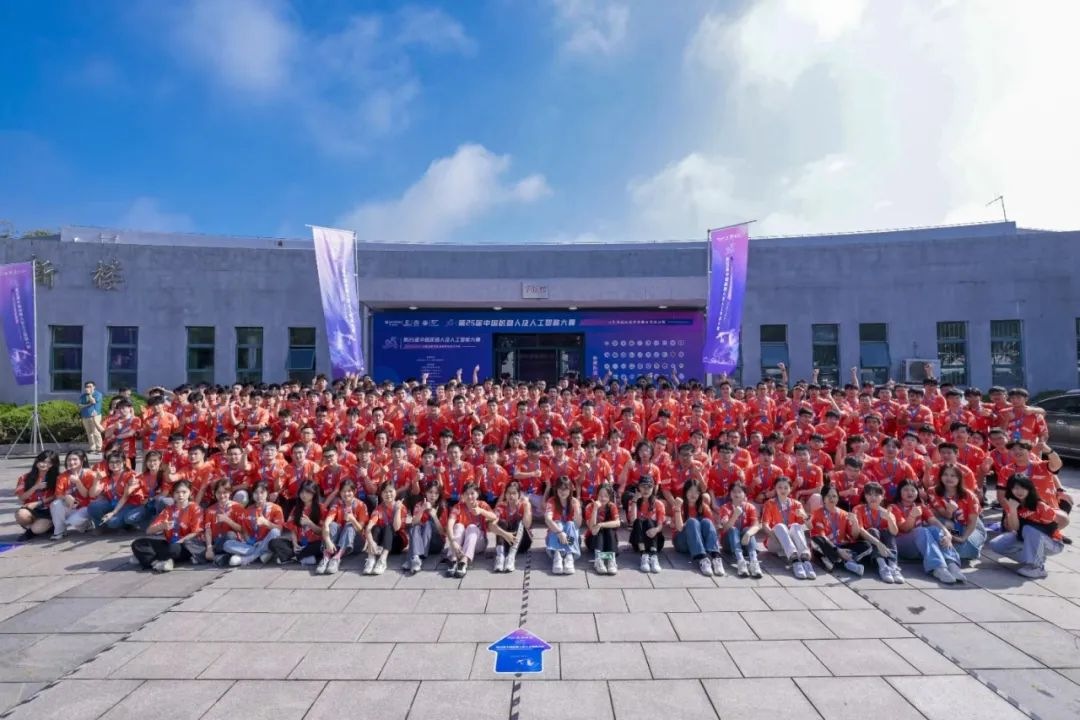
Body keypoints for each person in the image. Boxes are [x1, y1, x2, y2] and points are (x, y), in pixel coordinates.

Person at [988, 473, 1068, 579]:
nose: (1019, 491)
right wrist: (1013, 509)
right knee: (996, 544)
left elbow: (1051, 529)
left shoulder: (1040, 506)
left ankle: (1037, 568)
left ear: (1029, 488)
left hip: (1053, 543)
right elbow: (1014, 528)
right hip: (1025, 537)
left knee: (1029, 529)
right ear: (1010, 490)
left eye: (1023, 488)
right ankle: (1034, 559)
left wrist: (1031, 529)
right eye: (1015, 488)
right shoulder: (1012, 504)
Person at [891, 478, 964, 584]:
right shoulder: (893, 507)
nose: (910, 492)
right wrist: (912, 516)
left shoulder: (920, 506)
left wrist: (947, 534)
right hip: (902, 545)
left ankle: (952, 564)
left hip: (920, 546)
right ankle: (938, 568)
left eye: (913, 490)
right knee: (922, 530)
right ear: (899, 492)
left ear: (917, 492)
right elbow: (905, 528)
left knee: (935, 529)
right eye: (906, 490)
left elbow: (934, 521)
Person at [130, 480, 203, 572]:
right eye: (177, 492)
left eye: (184, 492)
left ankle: (147, 557)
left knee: (172, 549)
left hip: (186, 545)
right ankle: (155, 563)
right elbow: (149, 531)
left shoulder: (195, 508)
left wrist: (180, 541)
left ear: (190, 493)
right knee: (137, 544)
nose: (180, 495)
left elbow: (196, 532)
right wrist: (162, 526)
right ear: (173, 494)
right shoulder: (169, 509)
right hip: (169, 543)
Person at [809, 484, 872, 577]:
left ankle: (836, 561)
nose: (832, 499)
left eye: (834, 496)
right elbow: (821, 536)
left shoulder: (844, 514)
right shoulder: (817, 513)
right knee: (817, 539)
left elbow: (854, 536)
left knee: (867, 545)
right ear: (823, 498)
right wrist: (838, 550)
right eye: (828, 496)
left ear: (838, 498)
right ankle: (846, 562)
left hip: (841, 546)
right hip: (827, 546)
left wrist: (855, 522)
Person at [930, 464, 986, 566]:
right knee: (939, 524)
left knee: (968, 546)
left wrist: (963, 538)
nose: (949, 478)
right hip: (952, 528)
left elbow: (972, 521)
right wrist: (949, 511)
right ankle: (949, 545)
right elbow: (943, 515)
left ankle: (966, 547)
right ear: (940, 476)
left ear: (959, 478)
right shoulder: (933, 491)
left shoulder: (969, 496)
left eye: (953, 475)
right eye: (945, 474)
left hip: (970, 527)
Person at [762, 475, 814, 580]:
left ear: (790, 489)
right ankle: (795, 561)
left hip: (793, 543)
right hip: (775, 541)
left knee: (796, 526)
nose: (783, 490)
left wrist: (804, 516)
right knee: (780, 526)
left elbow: (809, 527)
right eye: (780, 487)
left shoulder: (797, 504)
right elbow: (765, 525)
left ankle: (805, 560)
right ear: (775, 488)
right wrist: (779, 539)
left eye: (786, 487)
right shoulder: (769, 503)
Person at [223, 481, 286, 565]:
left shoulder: (276, 508)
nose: (259, 495)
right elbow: (245, 532)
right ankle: (261, 553)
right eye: (256, 493)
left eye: (262, 492)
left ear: (267, 493)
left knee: (275, 532)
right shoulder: (248, 510)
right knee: (227, 544)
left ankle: (249, 558)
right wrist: (251, 541)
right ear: (252, 494)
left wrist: (266, 523)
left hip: (268, 541)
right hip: (253, 544)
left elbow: (280, 530)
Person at [852, 482, 902, 583]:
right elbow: (860, 530)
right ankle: (882, 567)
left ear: (882, 497)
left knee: (888, 533)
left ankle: (893, 566)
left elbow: (894, 532)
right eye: (869, 494)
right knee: (873, 530)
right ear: (865, 496)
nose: (873, 497)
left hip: (884, 547)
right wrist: (878, 544)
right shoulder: (858, 509)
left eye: (876, 495)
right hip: (867, 545)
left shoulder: (886, 512)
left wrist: (889, 519)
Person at [672, 479, 723, 577]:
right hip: (682, 542)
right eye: (690, 491)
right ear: (685, 491)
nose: (693, 494)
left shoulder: (703, 507)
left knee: (707, 522)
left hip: (699, 542)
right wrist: (678, 509)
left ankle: (715, 557)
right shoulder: (679, 506)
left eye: (696, 492)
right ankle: (702, 558)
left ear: (700, 494)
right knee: (692, 521)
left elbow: (711, 530)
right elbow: (679, 528)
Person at [445, 482, 495, 578]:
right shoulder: (458, 506)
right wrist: (453, 542)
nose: (469, 496)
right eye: (467, 494)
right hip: (460, 544)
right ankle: (453, 559)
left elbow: (494, 516)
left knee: (472, 527)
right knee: (458, 526)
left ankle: (464, 561)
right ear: (463, 495)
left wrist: (481, 511)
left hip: (479, 543)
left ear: (477, 494)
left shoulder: (482, 505)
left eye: (472, 493)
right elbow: (449, 525)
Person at [318, 479, 368, 575]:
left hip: (356, 542)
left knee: (350, 526)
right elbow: (326, 523)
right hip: (338, 541)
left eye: (349, 491)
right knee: (332, 525)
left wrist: (353, 519)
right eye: (343, 491)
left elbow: (361, 529)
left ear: (354, 491)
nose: (346, 494)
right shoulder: (337, 504)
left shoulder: (361, 505)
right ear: (340, 493)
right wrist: (328, 541)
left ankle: (337, 558)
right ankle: (326, 556)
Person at [717, 482, 762, 578]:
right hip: (729, 543)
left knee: (748, 529)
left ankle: (754, 561)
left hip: (745, 542)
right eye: (733, 491)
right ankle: (740, 561)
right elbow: (725, 528)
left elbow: (757, 526)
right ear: (730, 494)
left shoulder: (750, 507)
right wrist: (735, 516)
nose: (736, 494)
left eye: (739, 491)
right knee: (733, 529)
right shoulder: (725, 508)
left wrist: (748, 534)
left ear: (744, 494)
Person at [50, 450, 99, 538]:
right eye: (69, 460)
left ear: (82, 460)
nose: (71, 462)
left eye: (75, 459)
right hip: (71, 506)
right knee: (56, 504)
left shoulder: (90, 474)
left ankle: (87, 524)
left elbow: (86, 495)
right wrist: (66, 497)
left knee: (73, 521)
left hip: (85, 507)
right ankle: (59, 531)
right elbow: (58, 494)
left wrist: (77, 482)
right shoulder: (62, 476)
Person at [14, 451, 61, 540]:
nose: (44, 464)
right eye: (42, 461)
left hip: (49, 510)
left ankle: (45, 526)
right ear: (37, 461)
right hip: (32, 509)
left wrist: (39, 503)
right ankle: (34, 527)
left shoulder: (58, 477)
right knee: (21, 515)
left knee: (37, 529)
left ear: (53, 465)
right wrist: (35, 487)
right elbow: (22, 497)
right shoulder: (24, 477)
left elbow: (58, 495)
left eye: (49, 463)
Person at [363, 481, 408, 575]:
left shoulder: (401, 507)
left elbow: (396, 527)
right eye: (385, 492)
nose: (388, 494)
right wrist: (371, 542)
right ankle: (371, 559)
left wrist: (398, 510)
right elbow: (368, 528)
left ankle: (382, 560)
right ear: (381, 494)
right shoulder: (379, 508)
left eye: (390, 491)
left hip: (397, 542)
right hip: (382, 544)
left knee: (388, 526)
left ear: (395, 492)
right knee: (376, 528)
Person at [405, 480, 448, 574]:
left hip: (436, 543)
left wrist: (435, 517)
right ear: (425, 493)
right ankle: (416, 557)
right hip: (421, 541)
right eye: (430, 492)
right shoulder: (419, 505)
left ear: (439, 495)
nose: (433, 495)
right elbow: (413, 523)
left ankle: (413, 557)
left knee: (428, 524)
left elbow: (443, 532)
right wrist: (422, 509)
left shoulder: (442, 507)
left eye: (436, 493)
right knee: (415, 527)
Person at [627, 475, 666, 574]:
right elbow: (632, 521)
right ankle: (643, 555)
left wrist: (655, 530)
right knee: (639, 521)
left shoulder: (658, 504)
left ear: (653, 488)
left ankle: (654, 556)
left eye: (649, 487)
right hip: (638, 540)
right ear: (638, 488)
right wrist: (635, 501)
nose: (646, 489)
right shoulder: (633, 502)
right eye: (643, 486)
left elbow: (660, 525)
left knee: (649, 521)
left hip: (655, 540)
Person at [544, 476, 582, 574]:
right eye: (560, 488)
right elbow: (548, 519)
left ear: (570, 490)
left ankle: (569, 556)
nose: (563, 492)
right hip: (556, 536)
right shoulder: (551, 501)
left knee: (570, 524)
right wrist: (560, 532)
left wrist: (577, 509)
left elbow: (578, 525)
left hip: (571, 538)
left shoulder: (574, 501)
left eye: (566, 489)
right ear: (556, 489)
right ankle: (557, 556)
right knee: (557, 523)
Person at [492, 480, 532, 573]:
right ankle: (500, 557)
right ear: (505, 494)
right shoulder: (501, 506)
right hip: (506, 542)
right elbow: (491, 525)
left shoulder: (523, 505)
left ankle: (511, 557)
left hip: (522, 543)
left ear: (519, 494)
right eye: (509, 493)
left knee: (520, 522)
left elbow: (527, 524)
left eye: (514, 493)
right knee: (501, 522)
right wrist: (505, 534)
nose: (511, 496)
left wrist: (527, 507)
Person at [584, 482, 621, 575]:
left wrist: (601, 524)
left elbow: (617, 523)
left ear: (609, 497)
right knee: (598, 529)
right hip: (593, 540)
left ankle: (611, 560)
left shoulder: (612, 506)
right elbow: (592, 528)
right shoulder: (589, 507)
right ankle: (599, 560)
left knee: (609, 528)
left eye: (606, 496)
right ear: (597, 495)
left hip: (609, 542)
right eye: (600, 495)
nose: (603, 498)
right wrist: (595, 509)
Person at [78, 381, 105, 454]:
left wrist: (90, 394)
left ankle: (99, 448)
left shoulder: (98, 394)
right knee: (89, 433)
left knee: (95, 432)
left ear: (94, 387)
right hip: (85, 416)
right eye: (87, 386)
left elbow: (93, 402)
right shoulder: (83, 396)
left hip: (95, 416)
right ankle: (92, 448)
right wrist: (88, 405)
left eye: (90, 386)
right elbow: (80, 405)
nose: (88, 388)